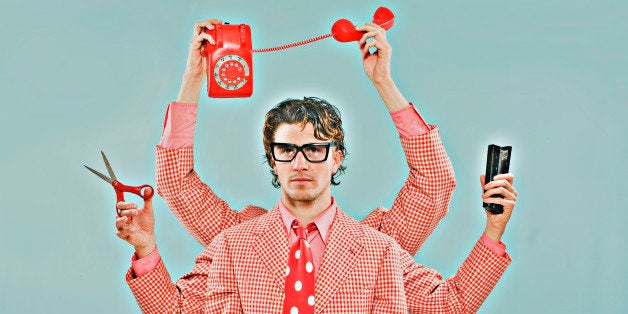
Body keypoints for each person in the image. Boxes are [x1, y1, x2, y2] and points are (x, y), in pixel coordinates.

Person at [115, 19, 517, 313]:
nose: (301, 162)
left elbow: (434, 189)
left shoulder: (379, 247)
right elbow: (175, 185)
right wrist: (193, 78)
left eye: (315, 149)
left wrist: (383, 82)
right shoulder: (234, 242)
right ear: (273, 158)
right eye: (287, 150)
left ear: (336, 156)